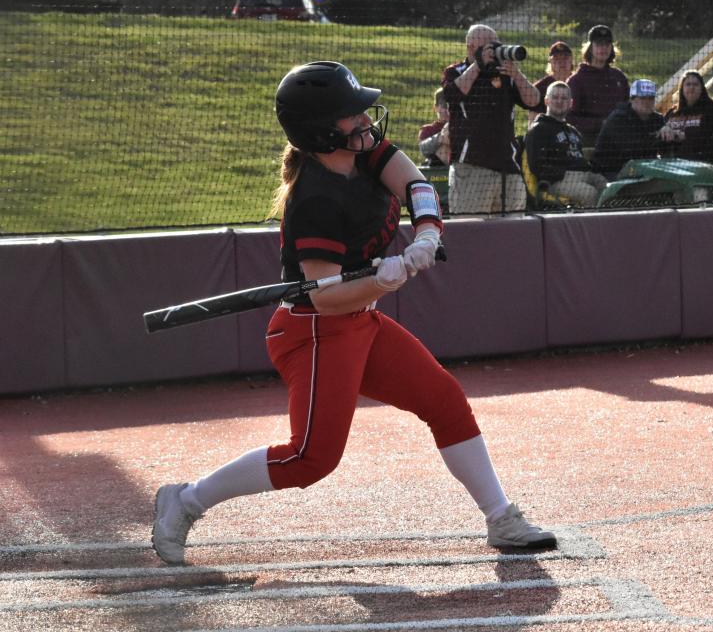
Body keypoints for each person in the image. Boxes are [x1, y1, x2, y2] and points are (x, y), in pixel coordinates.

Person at [151, 61, 556, 566]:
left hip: (357, 320)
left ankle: (501, 517)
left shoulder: (363, 155)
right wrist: (387, 278)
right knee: (310, 459)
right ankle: (184, 501)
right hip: (315, 331)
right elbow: (325, 296)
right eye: (350, 115)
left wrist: (428, 231)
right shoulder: (315, 200)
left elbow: (417, 186)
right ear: (321, 131)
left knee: (444, 399)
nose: (365, 120)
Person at [442, 24, 540, 215]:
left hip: (508, 168)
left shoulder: (505, 74)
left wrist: (515, 74)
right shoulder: (456, 71)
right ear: (471, 47)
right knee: (470, 232)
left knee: (514, 232)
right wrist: (478, 65)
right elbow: (452, 94)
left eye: (496, 44)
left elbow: (534, 101)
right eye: (488, 45)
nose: (494, 49)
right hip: (472, 167)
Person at [525, 81, 607, 207]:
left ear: (570, 104)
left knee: (608, 188)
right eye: (555, 97)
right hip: (558, 181)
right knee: (589, 193)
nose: (559, 101)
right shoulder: (539, 129)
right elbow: (537, 165)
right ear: (546, 101)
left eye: (564, 98)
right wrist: (561, 173)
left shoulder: (573, 131)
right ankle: (590, 226)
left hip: (585, 174)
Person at [566, 25, 629, 147]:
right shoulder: (576, 80)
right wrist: (600, 123)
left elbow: (628, 109)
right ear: (590, 48)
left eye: (607, 44)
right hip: (588, 142)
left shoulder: (619, 77)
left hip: (619, 139)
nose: (603, 48)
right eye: (599, 44)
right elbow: (568, 118)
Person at [592, 78, 666, 179]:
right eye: (643, 98)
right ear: (632, 99)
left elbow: (665, 148)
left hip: (639, 170)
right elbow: (633, 149)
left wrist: (669, 133)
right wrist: (658, 136)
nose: (647, 102)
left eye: (651, 98)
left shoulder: (658, 119)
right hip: (607, 172)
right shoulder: (619, 118)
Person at [658, 70, 713, 166]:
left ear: (702, 88)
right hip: (673, 166)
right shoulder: (672, 113)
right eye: (688, 84)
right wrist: (664, 130)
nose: (691, 87)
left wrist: (684, 136)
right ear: (682, 88)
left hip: (704, 165)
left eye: (695, 84)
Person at [528, 41, 574, 124]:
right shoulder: (539, 87)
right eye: (556, 58)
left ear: (571, 60)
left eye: (565, 58)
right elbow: (533, 121)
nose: (561, 62)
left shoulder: (578, 82)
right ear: (550, 62)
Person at [418, 88, 450, 167]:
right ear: (435, 107)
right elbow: (424, 149)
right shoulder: (428, 129)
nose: (447, 110)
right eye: (444, 105)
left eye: (450, 106)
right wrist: (440, 138)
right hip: (436, 170)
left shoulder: (461, 127)